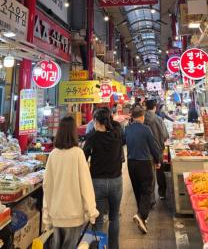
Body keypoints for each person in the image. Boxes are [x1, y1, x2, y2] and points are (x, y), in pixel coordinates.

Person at [43, 115, 99, 249]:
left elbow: (47, 186)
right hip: (74, 215)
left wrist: (46, 216)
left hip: (56, 214)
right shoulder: (78, 154)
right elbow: (86, 185)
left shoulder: (53, 155)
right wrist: (92, 212)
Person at [83, 108, 123, 249]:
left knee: (98, 220)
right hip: (116, 181)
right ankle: (114, 247)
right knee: (114, 217)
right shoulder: (117, 133)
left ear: (96, 121)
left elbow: (83, 158)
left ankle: (99, 246)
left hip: (97, 182)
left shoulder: (92, 137)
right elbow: (118, 126)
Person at [125, 106, 161, 234]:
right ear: (142, 116)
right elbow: (153, 147)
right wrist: (158, 160)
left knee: (137, 190)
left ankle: (142, 216)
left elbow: (123, 143)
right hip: (144, 163)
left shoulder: (127, 129)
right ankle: (141, 215)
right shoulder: (146, 129)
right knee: (147, 190)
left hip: (131, 164)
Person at [144, 100, 169, 200]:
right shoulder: (158, 119)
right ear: (155, 107)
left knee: (149, 175)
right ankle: (162, 193)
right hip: (158, 150)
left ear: (146, 107)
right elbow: (165, 136)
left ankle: (151, 198)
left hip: (146, 151)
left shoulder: (142, 119)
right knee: (160, 172)